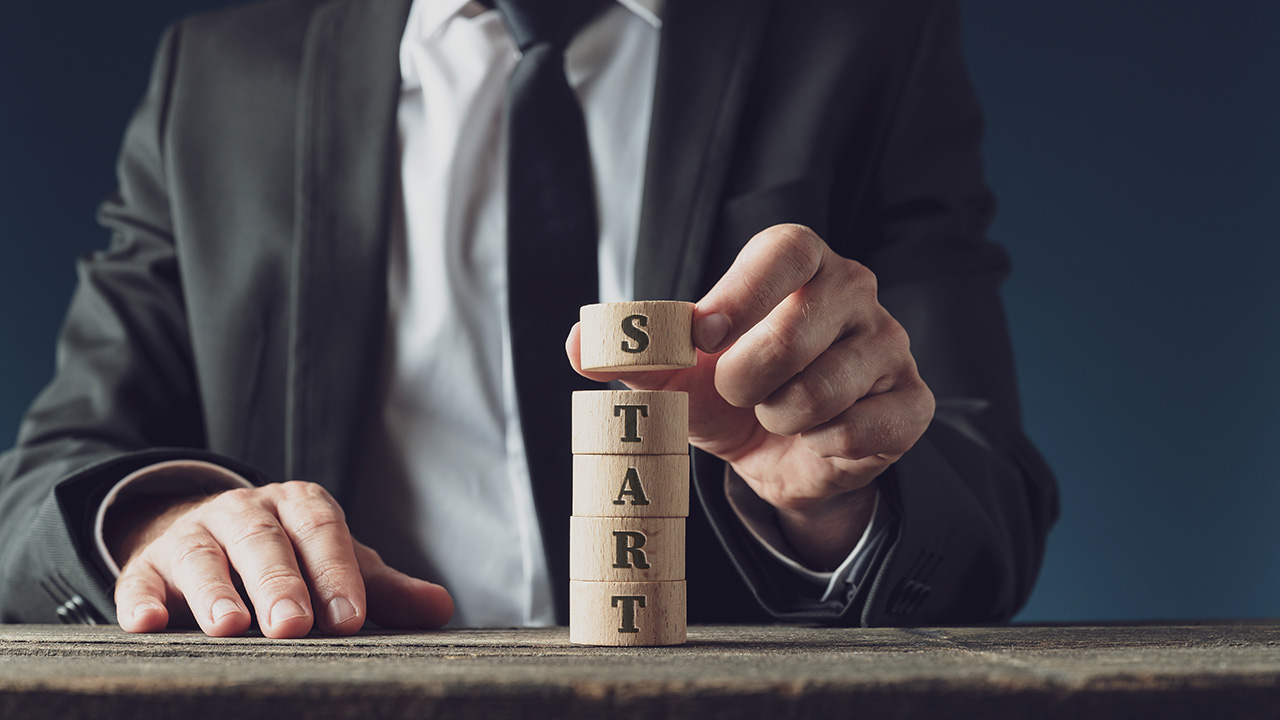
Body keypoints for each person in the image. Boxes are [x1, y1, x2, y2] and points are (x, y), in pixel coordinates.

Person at [0, 0, 1058, 637]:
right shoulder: (219, 80)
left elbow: (984, 498)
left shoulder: (860, 41)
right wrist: (162, 522)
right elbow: (47, 484)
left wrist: (833, 502)